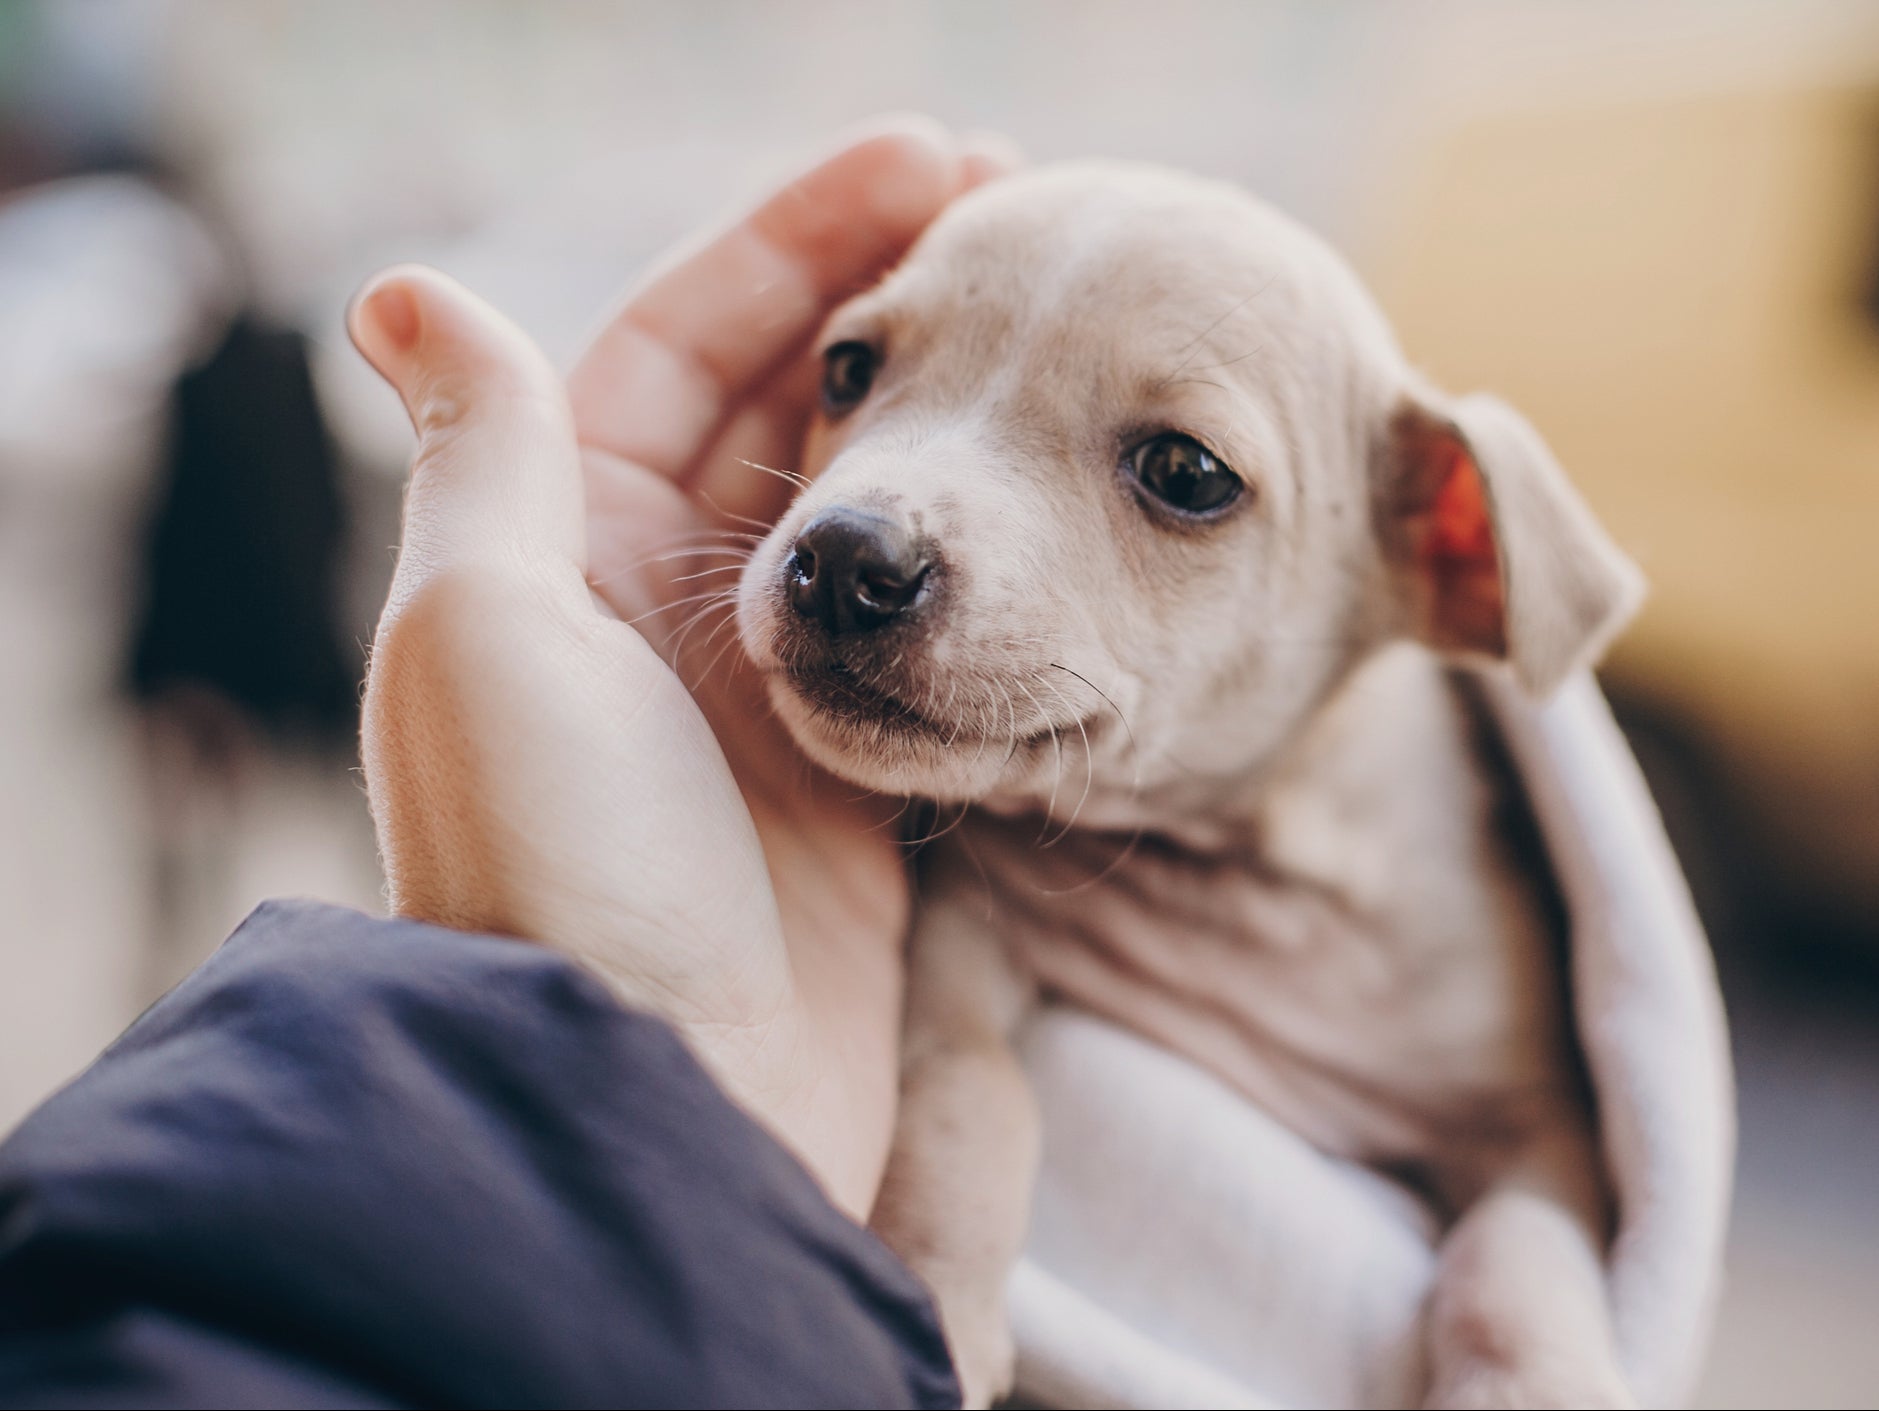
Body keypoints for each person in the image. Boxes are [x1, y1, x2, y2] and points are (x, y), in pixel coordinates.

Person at [0, 118, 1016, 1410]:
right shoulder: (226, 362)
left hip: (212, 664)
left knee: (199, 820)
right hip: (237, 664)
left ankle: (168, 925)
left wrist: (582, 1051)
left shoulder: (220, 363)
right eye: (857, 365)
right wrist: (630, 1075)